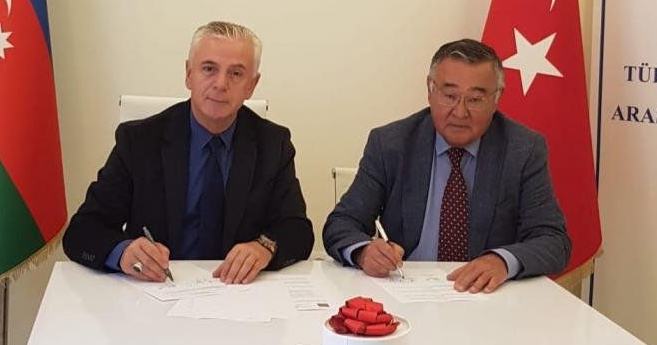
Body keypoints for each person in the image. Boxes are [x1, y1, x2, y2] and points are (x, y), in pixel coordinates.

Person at [63, 21, 314, 284]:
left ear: (252, 85)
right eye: (209, 69)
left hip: (238, 292)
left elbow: (297, 230)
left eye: (236, 73)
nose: (221, 83)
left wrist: (264, 247)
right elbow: (83, 230)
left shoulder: (273, 144)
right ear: (188, 74)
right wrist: (123, 252)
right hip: (156, 292)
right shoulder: (139, 141)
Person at [322, 38, 571, 293]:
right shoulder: (391, 144)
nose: (460, 112)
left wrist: (502, 261)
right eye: (450, 96)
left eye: (475, 99)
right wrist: (364, 252)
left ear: (497, 98)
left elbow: (554, 241)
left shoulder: (523, 149)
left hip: (486, 297)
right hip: (406, 291)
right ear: (430, 90)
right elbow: (342, 223)